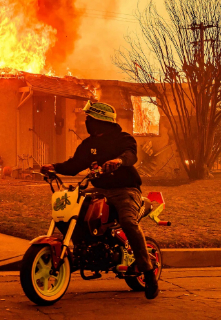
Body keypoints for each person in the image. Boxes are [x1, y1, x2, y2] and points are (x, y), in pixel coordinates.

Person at [41, 100, 160, 300]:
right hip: (99, 190)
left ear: (100, 121)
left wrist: (118, 161)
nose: (86, 122)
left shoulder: (123, 139)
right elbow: (74, 165)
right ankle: (85, 251)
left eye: (90, 119)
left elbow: (131, 155)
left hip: (125, 189)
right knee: (73, 212)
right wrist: (54, 167)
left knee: (128, 222)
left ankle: (149, 274)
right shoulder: (88, 145)